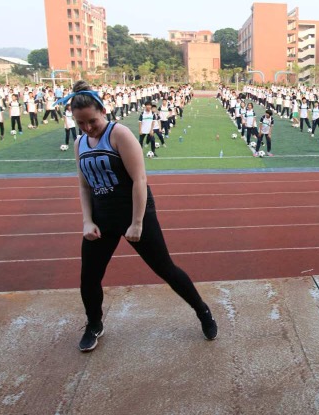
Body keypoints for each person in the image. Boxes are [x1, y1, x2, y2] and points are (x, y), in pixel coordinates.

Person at [57, 80, 217, 352]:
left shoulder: (119, 134)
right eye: (80, 123)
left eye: (91, 121)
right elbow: (84, 185)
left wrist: (137, 222)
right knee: (89, 277)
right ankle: (94, 323)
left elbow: (139, 179)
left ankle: (203, 312)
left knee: (165, 269)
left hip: (134, 211)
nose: (86, 128)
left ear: (103, 111)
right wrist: (87, 220)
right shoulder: (80, 143)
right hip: (101, 216)